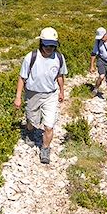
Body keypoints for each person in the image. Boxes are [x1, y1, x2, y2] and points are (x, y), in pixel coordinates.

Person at [13, 27, 67, 164]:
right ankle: (30, 131)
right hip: (32, 94)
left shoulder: (59, 57)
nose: (49, 48)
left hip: (50, 95)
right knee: (32, 120)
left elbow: (60, 76)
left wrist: (61, 91)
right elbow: (22, 78)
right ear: (41, 43)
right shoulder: (31, 57)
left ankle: (45, 149)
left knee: (49, 125)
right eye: (47, 45)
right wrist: (18, 97)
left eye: (52, 46)